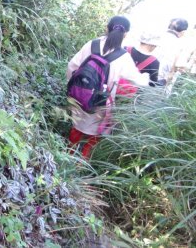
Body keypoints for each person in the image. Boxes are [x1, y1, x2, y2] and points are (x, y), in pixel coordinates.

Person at [67, 16, 149, 158]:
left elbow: (72, 66)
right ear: (126, 34)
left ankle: (68, 154)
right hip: (102, 102)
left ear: (107, 28)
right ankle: (82, 162)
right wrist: (146, 78)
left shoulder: (91, 45)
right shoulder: (123, 57)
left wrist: (74, 88)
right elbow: (138, 81)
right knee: (95, 133)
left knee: (77, 126)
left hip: (80, 95)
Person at [154, 18, 189, 86]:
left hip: (145, 74)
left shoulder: (156, 37)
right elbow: (180, 66)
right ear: (183, 32)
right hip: (162, 79)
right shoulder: (180, 45)